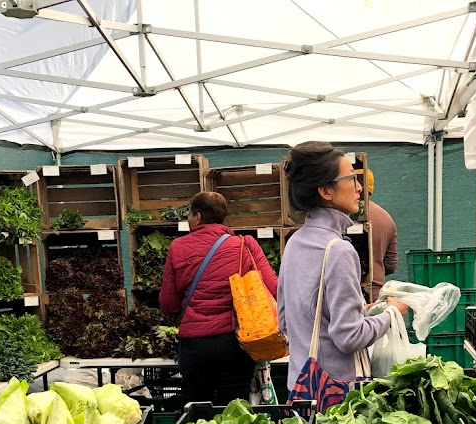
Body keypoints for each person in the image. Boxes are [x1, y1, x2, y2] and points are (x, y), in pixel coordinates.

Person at [278, 141, 407, 394]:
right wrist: (391, 315)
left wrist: (362, 312)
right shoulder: (338, 250)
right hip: (336, 398)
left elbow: (285, 320)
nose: (360, 187)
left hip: (301, 387)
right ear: (326, 191)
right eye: (352, 178)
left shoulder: (295, 242)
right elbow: (349, 338)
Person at [159, 190, 278, 406]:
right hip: (234, 343)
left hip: (194, 346)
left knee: (196, 412)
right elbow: (273, 288)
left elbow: (168, 304)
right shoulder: (245, 245)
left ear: (197, 216)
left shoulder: (178, 247)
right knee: (233, 412)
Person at [355, 167, 398, 302]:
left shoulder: (343, 216)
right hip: (375, 296)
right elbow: (390, 265)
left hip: (347, 296)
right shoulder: (386, 218)